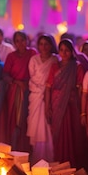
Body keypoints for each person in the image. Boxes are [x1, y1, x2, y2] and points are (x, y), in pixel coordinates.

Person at [45, 39, 87, 169]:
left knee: (73, 134)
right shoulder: (54, 66)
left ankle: (73, 164)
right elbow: (48, 88)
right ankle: (60, 163)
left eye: (67, 50)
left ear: (72, 51)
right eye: (61, 50)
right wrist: (47, 106)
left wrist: (80, 107)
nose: (64, 53)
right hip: (56, 103)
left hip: (71, 104)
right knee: (58, 133)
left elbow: (80, 88)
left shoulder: (77, 66)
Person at [27, 34, 58, 163]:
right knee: (37, 125)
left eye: (46, 44)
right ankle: (38, 158)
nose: (44, 47)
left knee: (48, 126)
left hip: (50, 97)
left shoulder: (55, 60)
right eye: (41, 44)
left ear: (51, 45)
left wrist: (47, 91)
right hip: (36, 96)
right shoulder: (33, 59)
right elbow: (32, 79)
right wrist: (41, 90)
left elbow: (56, 79)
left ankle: (50, 158)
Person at [3, 31, 36, 152]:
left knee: (29, 119)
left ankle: (28, 150)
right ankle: (16, 149)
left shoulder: (32, 53)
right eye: (17, 41)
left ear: (27, 40)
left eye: (22, 40)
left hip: (31, 89)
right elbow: (5, 74)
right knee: (16, 120)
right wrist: (18, 82)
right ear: (14, 42)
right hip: (15, 92)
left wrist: (28, 83)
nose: (20, 43)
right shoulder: (11, 56)